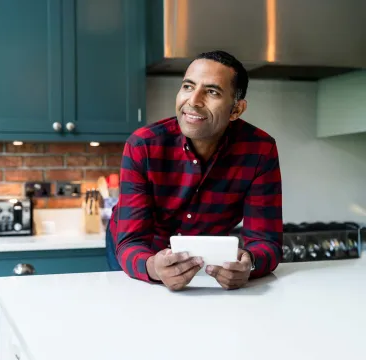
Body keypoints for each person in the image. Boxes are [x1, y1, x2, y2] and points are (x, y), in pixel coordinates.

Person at [105, 50, 283, 291]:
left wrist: (249, 264)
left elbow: (266, 241)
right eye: (188, 87)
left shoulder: (260, 150)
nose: (194, 101)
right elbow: (130, 242)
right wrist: (153, 267)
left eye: (212, 92)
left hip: (204, 258)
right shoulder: (143, 146)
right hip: (143, 252)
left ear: (236, 110)